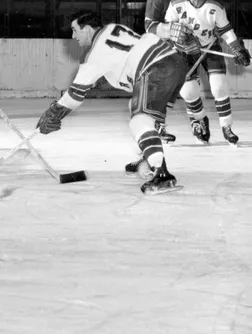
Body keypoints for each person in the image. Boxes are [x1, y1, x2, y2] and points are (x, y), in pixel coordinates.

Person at [34, 10, 198, 195]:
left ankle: (162, 174)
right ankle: (149, 156)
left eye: (75, 30)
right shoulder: (113, 28)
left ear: (87, 29)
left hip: (155, 68)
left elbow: (75, 94)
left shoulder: (95, 54)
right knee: (143, 115)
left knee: (139, 121)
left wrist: (54, 112)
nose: (73, 36)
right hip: (175, 62)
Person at [164, 0, 251, 145]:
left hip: (210, 48)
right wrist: (179, 36)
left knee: (219, 88)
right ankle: (201, 120)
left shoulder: (215, 6)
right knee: (188, 92)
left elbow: (226, 31)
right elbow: (166, 27)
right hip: (184, 52)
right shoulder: (177, 3)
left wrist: (237, 49)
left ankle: (227, 128)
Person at [142, 0, 181, 144]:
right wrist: (170, 30)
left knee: (188, 89)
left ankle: (198, 122)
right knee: (162, 89)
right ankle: (158, 126)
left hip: (184, 49)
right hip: (162, 49)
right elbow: (149, 26)